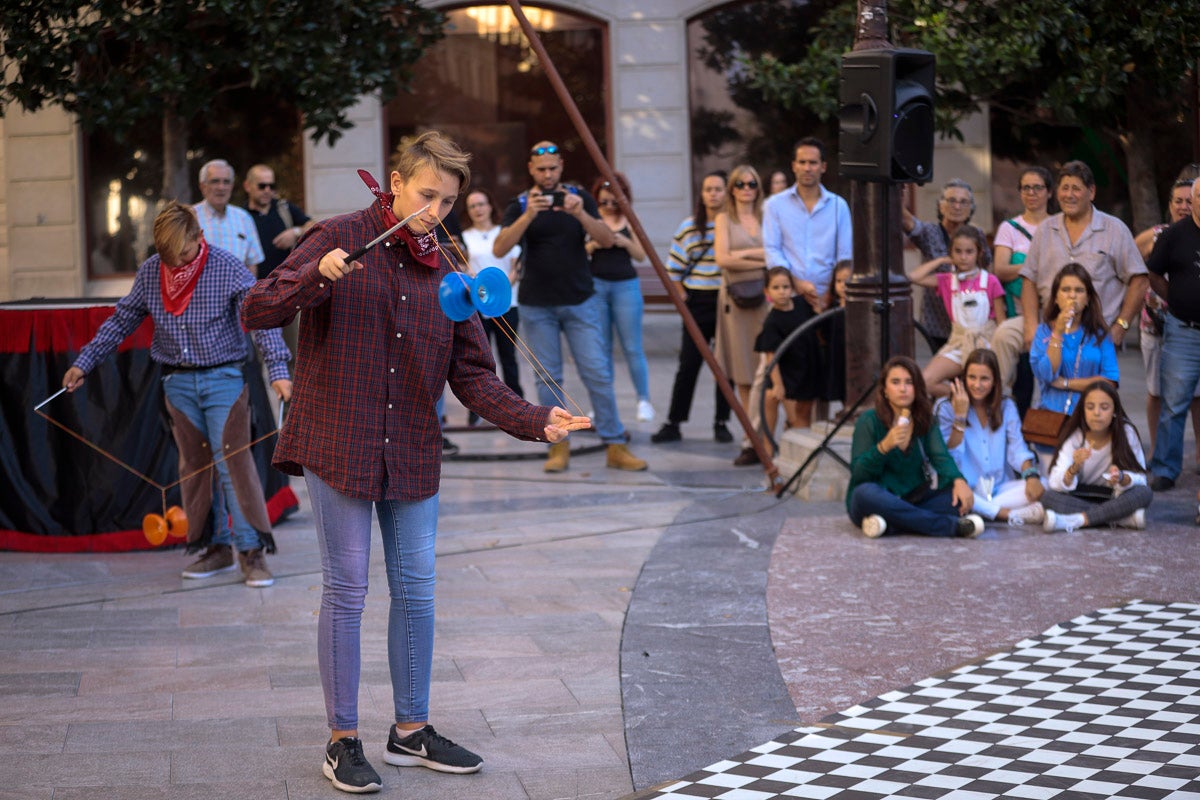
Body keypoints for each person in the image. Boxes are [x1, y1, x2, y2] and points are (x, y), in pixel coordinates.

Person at [240, 130, 591, 794]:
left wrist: (534, 417)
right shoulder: (339, 234)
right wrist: (316, 275)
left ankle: (410, 732)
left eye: (448, 201)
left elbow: (474, 377)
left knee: (419, 590)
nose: (435, 211)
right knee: (347, 590)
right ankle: (343, 739)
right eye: (427, 195)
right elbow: (257, 309)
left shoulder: (447, 268)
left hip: (411, 446)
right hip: (338, 439)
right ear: (395, 181)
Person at [63, 201, 292, 587]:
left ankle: (251, 552)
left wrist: (279, 371)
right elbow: (122, 319)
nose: (177, 263)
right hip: (177, 384)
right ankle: (214, 548)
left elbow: (261, 320)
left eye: (184, 253)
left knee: (232, 464)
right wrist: (84, 363)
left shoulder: (227, 267)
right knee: (195, 469)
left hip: (224, 379)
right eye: (168, 256)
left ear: (198, 238)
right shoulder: (152, 272)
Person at [493, 141, 646, 474]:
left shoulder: (580, 198)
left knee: (598, 373)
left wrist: (579, 212)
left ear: (561, 166)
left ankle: (614, 443)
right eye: (541, 169)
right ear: (531, 169)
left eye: (553, 169)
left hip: (580, 301)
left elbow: (606, 240)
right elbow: (500, 247)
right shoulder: (521, 203)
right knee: (548, 379)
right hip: (537, 306)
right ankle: (558, 447)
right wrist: (530, 214)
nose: (547, 175)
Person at [993, 160, 1147, 393]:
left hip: (1094, 333)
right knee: (1004, 335)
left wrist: (1120, 327)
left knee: (1092, 400)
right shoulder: (1046, 229)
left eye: (1076, 188)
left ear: (1091, 192)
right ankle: (994, 410)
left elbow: (1139, 279)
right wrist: (1031, 328)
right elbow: (1029, 280)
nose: (1069, 195)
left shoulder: (1114, 229)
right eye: (1064, 188)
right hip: (1049, 326)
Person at [761, 137, 853, 426]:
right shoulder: (776, 205)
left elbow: (845, 253)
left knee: (822, 370)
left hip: (829, 301)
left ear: (823, 167)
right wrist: (795, 282)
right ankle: (765, 439)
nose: (807, 168)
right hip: (789, 298)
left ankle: (817, 432)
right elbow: (772, 249)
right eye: (802, 162)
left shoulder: (838, 206)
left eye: (813, 162)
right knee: (780, 371)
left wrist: (830, 295)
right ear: (793, 166)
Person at [846, 355, 983, 539]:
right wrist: (884, 446)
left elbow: (940, 457)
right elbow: (858, 473)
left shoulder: (924, 419)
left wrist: (959, 481)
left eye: (909, 382)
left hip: (915, 498)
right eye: (895, 382)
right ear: (885, 390)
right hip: (878, 497)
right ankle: (949, 528)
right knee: (864, 493)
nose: (903, 389)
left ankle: (889, 525)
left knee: (956, 501)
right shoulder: (869, 420)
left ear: (916, 388)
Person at [651, 170, 733, 444]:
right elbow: (672, 270)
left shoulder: (733, 225)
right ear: (702, 194)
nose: (713, 194)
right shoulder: (688, 227)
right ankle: (674, 422)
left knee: (724, 366)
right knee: (688, 364)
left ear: (726, 192)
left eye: (718, 189)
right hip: (697, 302)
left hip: (726, 303)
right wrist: (684, 301)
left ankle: (722, 422)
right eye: (708, 189)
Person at [934, 349, 1044, 525]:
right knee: (951, 497)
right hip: (963, 487)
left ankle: (984, 510)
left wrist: (1031, 476)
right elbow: (948, 455)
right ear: (963, 378)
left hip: (1000, 489)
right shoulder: (946, 406)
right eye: (972, 377)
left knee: (1044, 485)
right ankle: (1007, 515)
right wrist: (960, 417)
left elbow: (1018, 448)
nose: (977, 385)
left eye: (984, 379)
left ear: (994, 382)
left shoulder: (1006, 405)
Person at [1135, 177, 1199, 464]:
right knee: (1167, 399)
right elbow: (1145, 270)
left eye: (1190, 199)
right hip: (1171, 327)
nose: (1186, 205)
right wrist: (1175, 297)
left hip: (1185, 325)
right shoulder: (1166, 234)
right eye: (1182, 200)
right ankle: (1161, 461)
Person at [907, 225, 1006, 397]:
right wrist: (940, 261)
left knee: (993, 387)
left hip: (986, 343)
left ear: (979, 253)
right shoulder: (947, 281)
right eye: (958, 251)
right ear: (951, 253)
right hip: (959, 343)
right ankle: (965, 399)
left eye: (969, 252)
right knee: (924, 382)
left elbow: (1001, 322)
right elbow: (913, 277)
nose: (963, 257)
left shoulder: (990, 281)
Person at [586, 172, 654, 422]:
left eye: (613, 201)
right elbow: (580, 251)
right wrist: (595, 244)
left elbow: (641, 255)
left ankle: (643, 400)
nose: (608, 206)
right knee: (601, 348)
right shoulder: (592, 219)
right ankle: (602, 403)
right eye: (603, 202)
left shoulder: (629, 219)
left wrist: (622, 242)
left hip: (626, 286)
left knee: (632, 347)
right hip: (597, 286)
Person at [714, 164, 769, 466]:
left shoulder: (765, 216)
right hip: (735, 303)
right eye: (740, 184)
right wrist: (757, 257)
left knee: (766, 369)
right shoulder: (724, 218)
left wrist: (742, 256)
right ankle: (751, 438)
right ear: (732, 188)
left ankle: (766, 432)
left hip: (764, 300)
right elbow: (722, 258)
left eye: (752, 183)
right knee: (745, 375)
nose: (746, 189)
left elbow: (774, 254)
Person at [1042, 380, 1152, 532]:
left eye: (1104, 407)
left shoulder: (1126, 432)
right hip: (1080, 497)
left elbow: (1141, 479)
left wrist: (1121, 477)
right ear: (1083, 411)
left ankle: (1078, 520)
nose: (1097, 413)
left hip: (1114, 497)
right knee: (1049, 497)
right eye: (1090, 407)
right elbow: (1055, 481)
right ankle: (1121, 518)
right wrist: (1074, 468)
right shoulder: (1075, 435)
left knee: (1144, 493)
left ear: (1114, 410)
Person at [902, 179, 989, 353]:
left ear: (971, 208)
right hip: (937, 323)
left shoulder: (977, 234)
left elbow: (986, 271)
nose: (957, 206)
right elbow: (904, 219)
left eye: (963, 202)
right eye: (951, 200)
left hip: (972, 321)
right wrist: (899, 191)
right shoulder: (929, 232)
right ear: (941, 206)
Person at [992, 166, 1053, 414]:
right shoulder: (1009, 228)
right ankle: (1004, 410)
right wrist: (1035, 265)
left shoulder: (1058, 225)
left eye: (1037, 187)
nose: (1031, 193)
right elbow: (1001, 269)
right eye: (1026, 188)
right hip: (1018, 310)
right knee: (1022, 373)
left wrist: (1023, 265)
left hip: (1051, 311)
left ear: (1049, 192)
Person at [461, 187, 523, 425]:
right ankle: (477, 409)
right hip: (479, 306)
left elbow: (515, 267)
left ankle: (517, 407)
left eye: (481, 204)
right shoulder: (466, 237)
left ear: (490, 206)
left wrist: (501, 291)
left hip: (508, 304)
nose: (478, 209)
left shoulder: (504, 233)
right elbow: (465, 269)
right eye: (472, 206)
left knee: (508, 356)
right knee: (481, 359)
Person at [755, 267, 808, 435]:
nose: (782, 292)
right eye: (776, 288)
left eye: (785, 287)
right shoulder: (773, 321)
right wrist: (778, 384)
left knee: (801, 417)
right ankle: (768, 454)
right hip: (783, 375)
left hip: (802, 370)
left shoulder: (801, 305)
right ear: (767, 291)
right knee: (782, 414)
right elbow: (772, 355)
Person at [244, 163, 315, 280]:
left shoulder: (284, 208)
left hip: (285, 283)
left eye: (271, 186)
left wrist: (295, 232)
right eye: (262, 186)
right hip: (255, 286)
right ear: (247, 186)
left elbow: (313, 226)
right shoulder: (241, 215)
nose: (267, 190)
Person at [194, 159, 264, 273]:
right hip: (201, 290)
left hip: (238, 290)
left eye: (226, 182)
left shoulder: (244, 218)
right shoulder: (190, 217)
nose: (221, 187)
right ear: (202, 186)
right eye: (215, 181)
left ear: (231, 186)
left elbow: (252, 264)